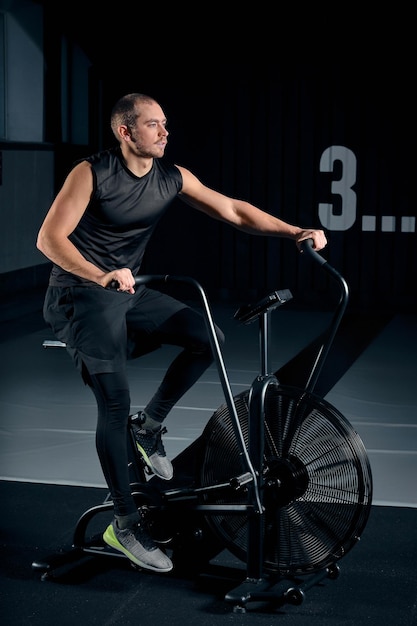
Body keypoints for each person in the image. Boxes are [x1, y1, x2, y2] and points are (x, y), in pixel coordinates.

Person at [36, 92, 327, 574]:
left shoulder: (173, 177)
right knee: (112, 402)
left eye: (165, 124)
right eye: (153, 125)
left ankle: (148, 428)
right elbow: (50, 238)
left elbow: (233, 211)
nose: (165, 132)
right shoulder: (91, 173)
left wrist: (294, 231)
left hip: (126, 292)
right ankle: (124, 523)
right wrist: (98, 274)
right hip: (79, 294)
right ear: (125, 132)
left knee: (205, 333)